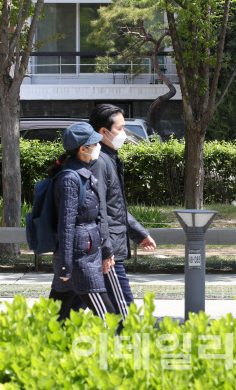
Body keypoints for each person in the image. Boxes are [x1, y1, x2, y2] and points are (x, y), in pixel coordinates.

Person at [47, 122, 123, 322]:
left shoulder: (84, 175)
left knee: (54, 318)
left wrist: (105, 251)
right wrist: (65, 267)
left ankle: (43, 351)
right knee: (109, 318)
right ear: (83, 149)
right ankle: (117, 351)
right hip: (80, 260)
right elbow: (66, 225)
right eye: (94, 144)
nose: (98, 147)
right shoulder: (70, 179)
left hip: (85, 255)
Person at [88, 104, 157, 318]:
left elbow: (115, 207)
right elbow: (99, 211)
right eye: (120, 128)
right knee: (123, 310)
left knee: (70, 308)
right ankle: (126, 347)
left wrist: (139, 233)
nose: (124, 134)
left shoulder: (109, 158)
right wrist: (107, 251)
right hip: (107, 252)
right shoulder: (100, 161)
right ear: (103, 132)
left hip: (106, 248)